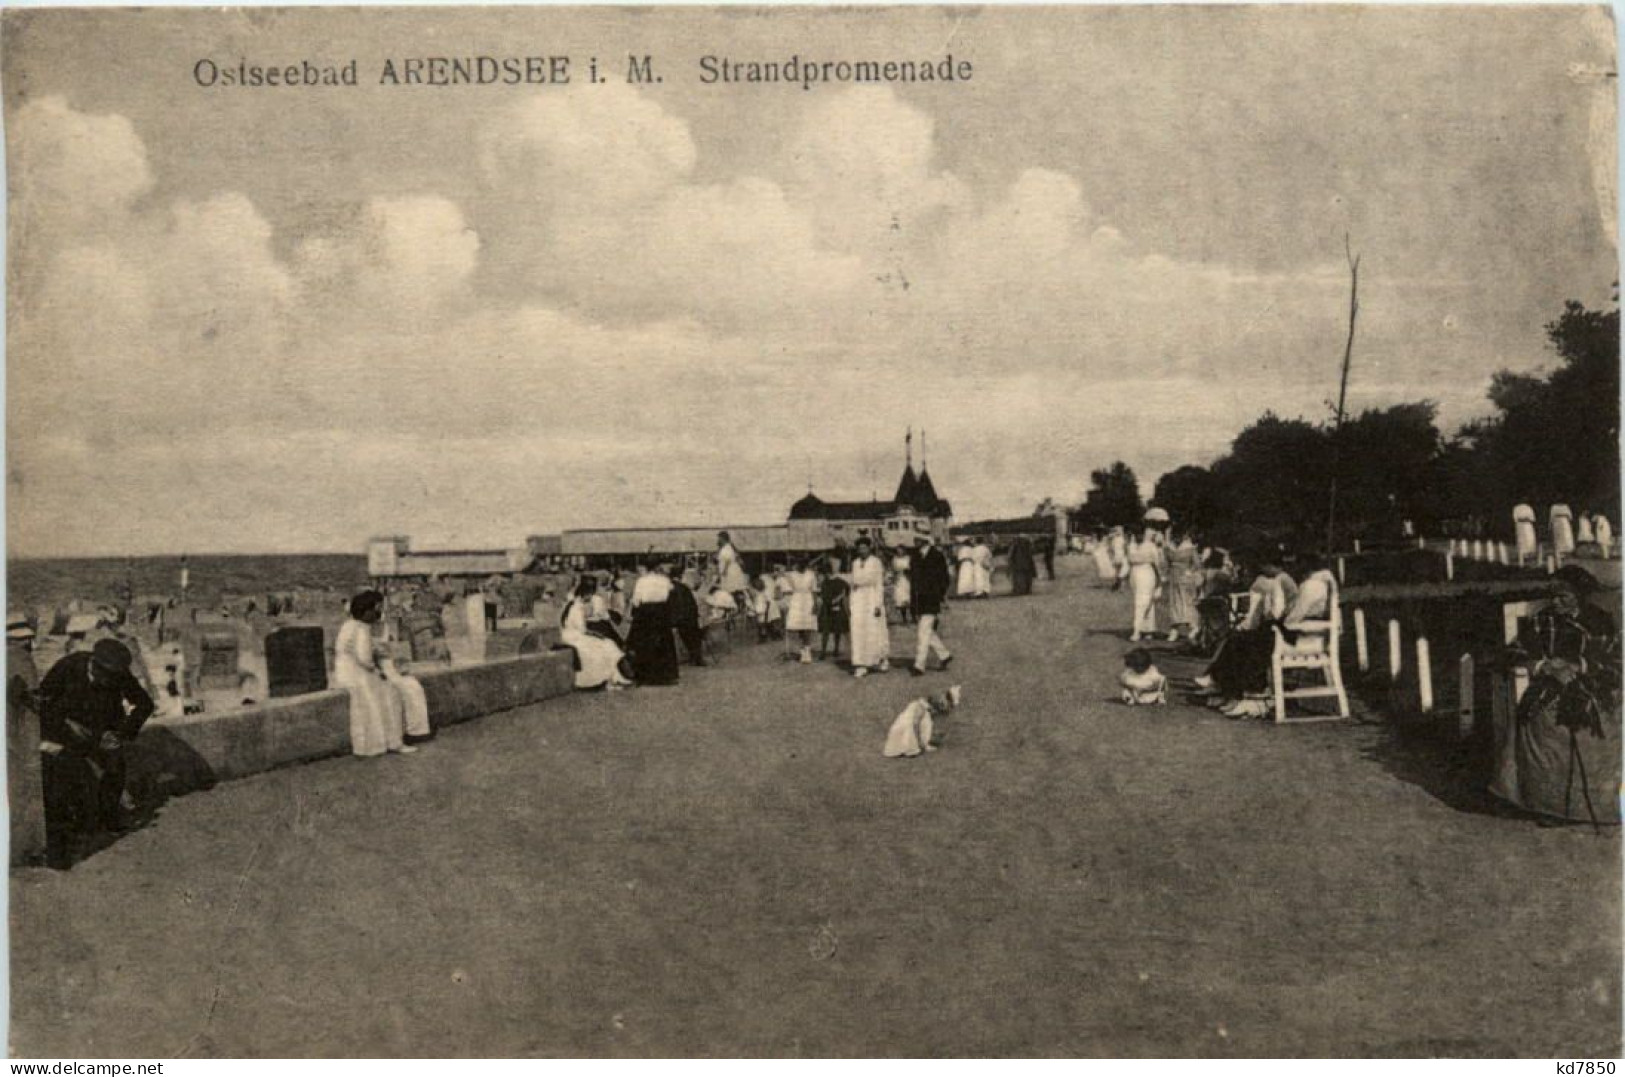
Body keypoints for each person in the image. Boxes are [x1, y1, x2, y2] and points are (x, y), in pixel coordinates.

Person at [1491, 570, 1620, 825]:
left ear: (1579, 597)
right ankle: (1550, 807)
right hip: (1549, 688)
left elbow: (1616, 660)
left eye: (1563, 597)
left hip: (1593, 686)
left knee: (1604, 727)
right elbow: (1513, 652)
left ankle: (1594, 807)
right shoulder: (1543, 621)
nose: (1556, 602)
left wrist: (1579, 666)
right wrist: (1544, 666)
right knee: (1544, 726)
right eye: (1553, 597)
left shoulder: (1599, 621)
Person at [37, 638, 156, 865]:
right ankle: (68, 835)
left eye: (113, 678)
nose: (108, 682)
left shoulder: (119, 674)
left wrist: (120, 734)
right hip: (66, 733)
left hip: (103, 733)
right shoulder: (68, 666)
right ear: (93, 663)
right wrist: (66, 725)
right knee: (64, 775)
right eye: (104, 676)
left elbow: (145, 704)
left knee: (115, 768)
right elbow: (42, 703)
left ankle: (109, 819)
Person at [1196, 553, 1332, 718]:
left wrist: (1283, 618)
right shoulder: (1319, 583)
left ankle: (1254, 696)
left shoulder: (1312, 586)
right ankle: (1230, 689)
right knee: (1242, 639)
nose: (1295, 568)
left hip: (1301, 636)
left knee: (1251, 642)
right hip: (1300, 632)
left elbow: (1294, 616)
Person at [333, 591, 416, 758]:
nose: (379, 614)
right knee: (391, 694)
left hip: (344, 672)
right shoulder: (363, 628)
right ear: (367, 610)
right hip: (358, 674)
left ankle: (372, 744)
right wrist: (378, 670)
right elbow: (365, 658)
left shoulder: (348, 625)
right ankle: (395, 742)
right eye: (377, 609)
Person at [8, 615, 47, 865]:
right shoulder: (21, 659)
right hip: (21, 735)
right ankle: (31, 851)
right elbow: (33, 698)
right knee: (27, 792)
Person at [559, 579, 633, 690]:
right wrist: (597, 635)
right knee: (606, 645)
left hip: (570, 634)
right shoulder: (578, 607)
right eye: (590, 595)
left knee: (607, 644)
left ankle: (617, 675)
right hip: (576, 637)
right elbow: (583, 629)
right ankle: (612, 676)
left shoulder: (571, 603)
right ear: (585, 594)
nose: (591, 598)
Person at [909, 533, 954, 676]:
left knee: (923, 631)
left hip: (931, 599)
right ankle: (944, 655)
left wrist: (939, 594)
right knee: (927, 631)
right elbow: (913, 580)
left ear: (924, 540)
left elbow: (944, 578)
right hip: (917, 599)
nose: (914, 541)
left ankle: (919, 665)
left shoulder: (937, 556)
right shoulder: (915, 556)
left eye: (917, 539)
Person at [628, 561, 680, 686]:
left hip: (646, 612)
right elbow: (672, 591)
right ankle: (665, 675)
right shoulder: (664, 579)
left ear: (645, 567)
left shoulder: (642, 581)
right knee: (663, 641)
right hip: (661, 612)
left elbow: (636, 600)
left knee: (645, 642)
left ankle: (645, 676)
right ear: (657, 567)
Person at [848, 537, 890, 677]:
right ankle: (861, 663)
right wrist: (851, 603)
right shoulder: (855, 563)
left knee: (874, 629)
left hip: (872, 597)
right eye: (859, 548)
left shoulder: (876, 562)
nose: (862, 550)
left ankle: (881, 659)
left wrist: (878, 604)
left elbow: (879, 583)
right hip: (858, 599)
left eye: (864, 548)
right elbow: (853, 583)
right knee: (858, 630)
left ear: (869, 548)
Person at [1160, 528, 1203, 643]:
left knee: (1187, 602)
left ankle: (1193, 627)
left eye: (1180, 535)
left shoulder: (1189, 547)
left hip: (1186, 578)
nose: (1177, 538)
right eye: (1175, 536)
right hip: (1174, 578)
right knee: (1174, 603)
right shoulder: (1169, 547)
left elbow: (1197, 564)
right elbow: (1165, 563)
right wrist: (1164, 574)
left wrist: (1190, 571)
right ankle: (1174, 629)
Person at [1125, 528, 1166, 641]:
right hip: (1134, 574)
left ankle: (1136, 631)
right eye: (1136, 533)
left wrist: (1160, 579)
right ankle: (1148, 629)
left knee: (1141, 602)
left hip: (1147, 573)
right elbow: (1128, 560)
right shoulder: (1131, 545)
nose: (1138, 536)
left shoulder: (1150, 546)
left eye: (1140, 533)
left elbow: (1157, 564)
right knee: (1146, 602)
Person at [666, 564, 707, 668]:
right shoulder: (684, 588)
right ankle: (696, 655)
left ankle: (694, 655)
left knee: (687, 630)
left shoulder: (668, 587)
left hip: (672, 618)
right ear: (681, 575)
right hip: (686, 618)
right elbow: (692, 605)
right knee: (693, 631)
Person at [784, 557, 819, 664]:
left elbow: (814, 590)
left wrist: (816, 603)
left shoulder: (811, 574)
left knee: (807, 626)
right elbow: (787, 588)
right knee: (798, 626)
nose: (801, 566)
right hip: (797, 600)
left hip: (808, 600)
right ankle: (802, 649)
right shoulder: (791, 575)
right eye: (799, 564)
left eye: (804, 564)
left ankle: (807, 650)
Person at [817, 557, 850, 660]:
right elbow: (823, 596)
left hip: (837, 608)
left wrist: (841, 598)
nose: (823, 576)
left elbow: (847, 590)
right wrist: (834, 600)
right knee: (825, 631)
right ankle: (823, 651)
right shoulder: (824, 583)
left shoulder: (840, 581)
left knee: (837, 630)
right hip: (827, 609)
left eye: (824, 573)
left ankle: (836, 649)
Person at [715, 532, 751, 605]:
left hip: (730, 572)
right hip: (728, 572)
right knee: (730, 590)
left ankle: (739, 603)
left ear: (722, 538)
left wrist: (724, 570)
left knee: (732, 589)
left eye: (719, 538)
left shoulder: (727, 548)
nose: (718, 540)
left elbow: (728, 560)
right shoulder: (725, 548)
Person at [890, 547, 914, 624]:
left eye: (901, 550)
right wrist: (894, 577)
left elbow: (912, 568)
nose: (899, 552)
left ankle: (913, 617)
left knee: (909, 597)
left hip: (907, 579)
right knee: (901, 598)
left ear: (904, 551)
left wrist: (909, 573)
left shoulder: (908, 558)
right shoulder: (895, 559)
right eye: (898, 551)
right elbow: (893, 569)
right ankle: (904, 618)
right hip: (899, 580)